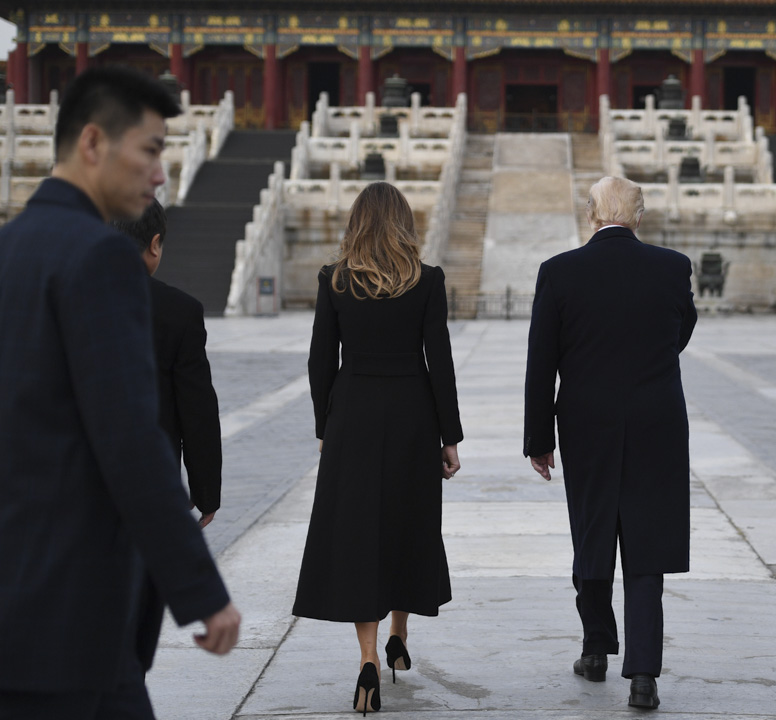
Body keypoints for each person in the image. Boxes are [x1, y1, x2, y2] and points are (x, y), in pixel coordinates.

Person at [0, 66, 240, 718]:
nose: (161, 174)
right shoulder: (101, 258)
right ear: (93, 143)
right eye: (152, 150)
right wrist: (200, 590)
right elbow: (132, 441)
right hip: (71, 616)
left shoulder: (11, 249)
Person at [524, 176, 696, 710]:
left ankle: (596, 647)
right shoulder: (672, 268)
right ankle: (643, 675)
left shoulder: (558, 272)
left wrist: (539, 437)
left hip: (586, 423)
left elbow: (541, 361)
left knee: (593, 530)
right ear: (639, 216)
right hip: (657, 422)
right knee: (648, 546)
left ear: (592, 215)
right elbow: (680, 331)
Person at [292, 181, 463, 716]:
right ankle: (399, 633)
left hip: (354, 417)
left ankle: (368, 660)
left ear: (357, 223)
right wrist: (449, 437)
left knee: (360, 533)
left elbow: (321, 361)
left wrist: (326, 425)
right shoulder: (428, 281)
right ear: (404, 224)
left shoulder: (335, 280)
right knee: (406, 525)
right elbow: (440, 363)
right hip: (413, 414)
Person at [113, 198, 224, 673]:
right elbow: (197, 410)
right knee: (136, 635)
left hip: (70, 490)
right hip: (151, 496)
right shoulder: (179, 312)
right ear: (155, 243)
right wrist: (205, 493)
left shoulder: (63, 297)